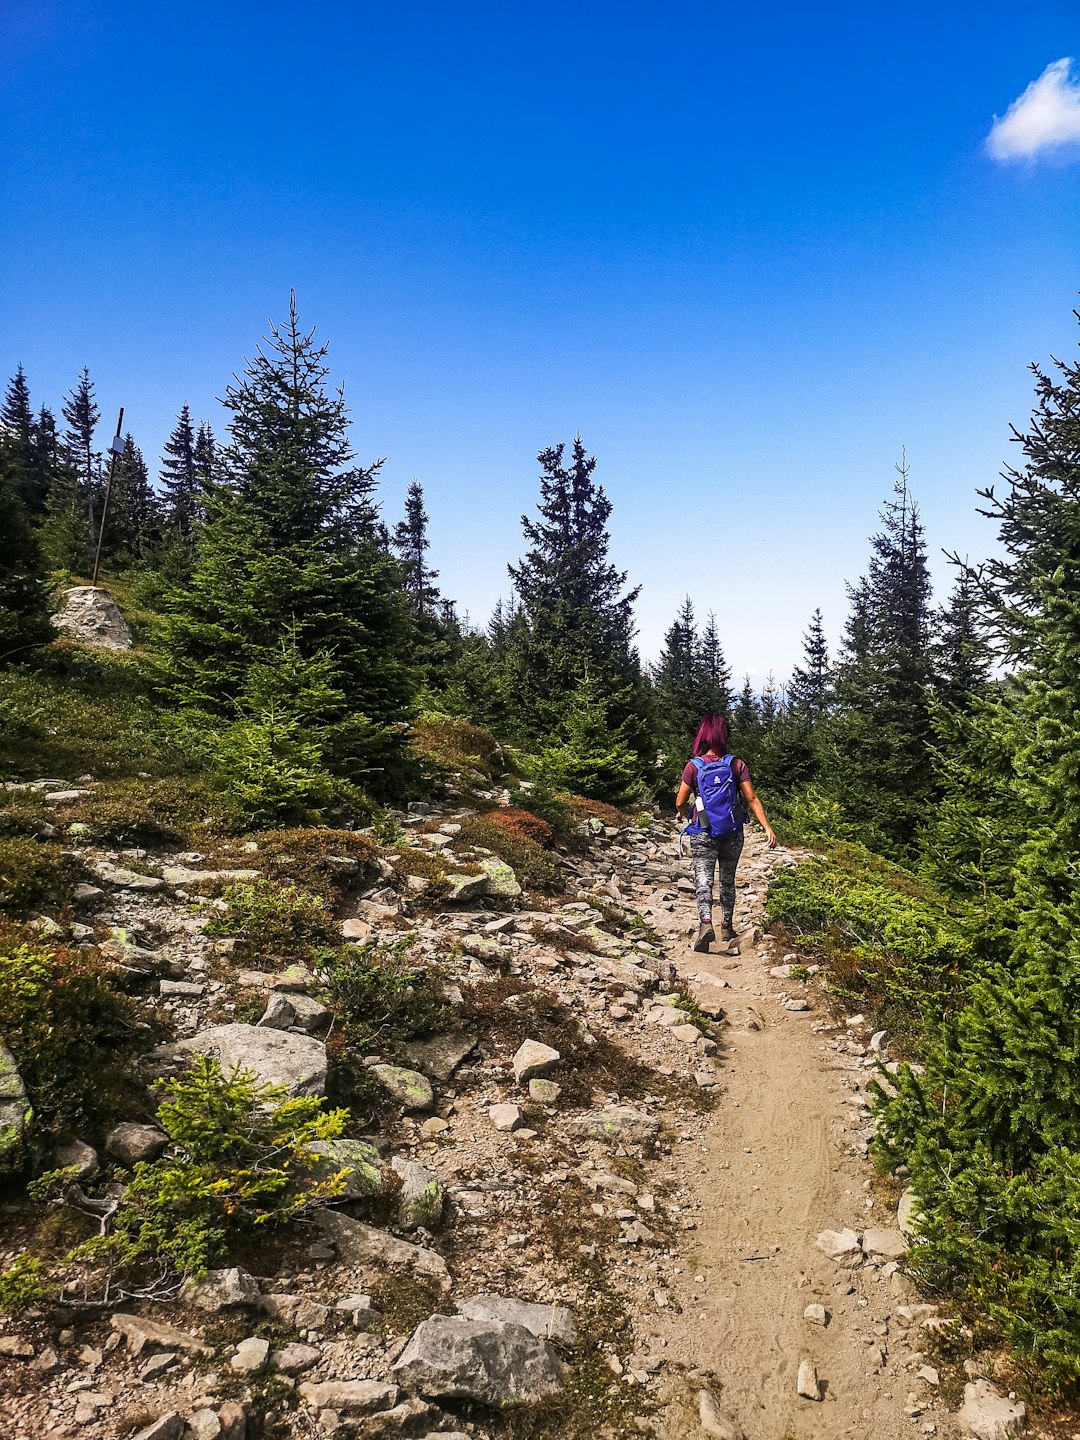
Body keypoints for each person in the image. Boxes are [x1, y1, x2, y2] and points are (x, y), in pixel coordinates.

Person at [675, 712, 777, 951]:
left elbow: (681, 800)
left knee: (703, 879)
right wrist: (767, 827)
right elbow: (751, 798)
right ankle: (727, 926)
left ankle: (705, 923)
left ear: (703, 736)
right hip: (732, 830)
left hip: (703, 829)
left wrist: (683, 811)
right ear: (724, 735)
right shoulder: (736, 764)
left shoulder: (694, 766)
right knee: (728, 879)